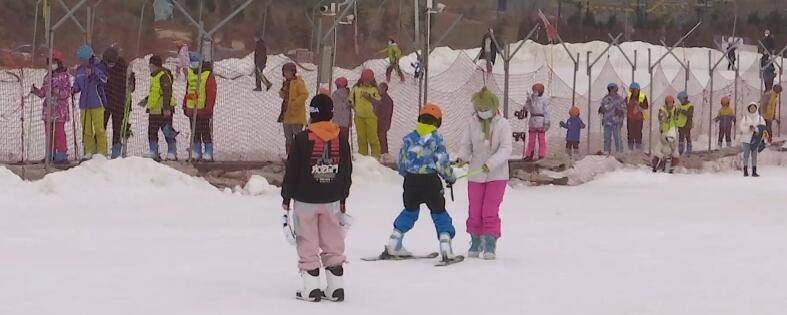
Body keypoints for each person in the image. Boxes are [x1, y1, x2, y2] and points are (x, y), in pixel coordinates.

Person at [281, 94, 352, 303]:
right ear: (331, 114)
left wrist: (286, 197)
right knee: (333, 240)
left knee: (307, 240)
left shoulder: (302, 139)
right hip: (331, 201)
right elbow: (346, 171)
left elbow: (292, 171)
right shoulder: (341, 139)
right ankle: (336, 288)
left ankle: (311, 288)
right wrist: (342, 197)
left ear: (312, 114)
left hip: (305, 201)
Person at [385, 103, 459, 262]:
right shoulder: (436, 138)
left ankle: (394, 241)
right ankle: (446, 245)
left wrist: (407, 175)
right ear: (437, 122)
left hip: (411, 181)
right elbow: (442, 162)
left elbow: (402, 162)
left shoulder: (409, 138)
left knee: (410, 211)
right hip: (431, 181)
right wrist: (449, 177)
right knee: (439, 212)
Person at [456, 88, 512, 260]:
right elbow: (466, 144)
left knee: (490, 208)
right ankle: (475, 239)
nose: (483, 112)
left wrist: (492, 163)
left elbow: (506, 148)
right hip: (476, 174)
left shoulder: (503, 124)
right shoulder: (472, 123)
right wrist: (463, 158)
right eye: (480, 108)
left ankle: (490, 241)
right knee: (475, 209)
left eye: (486, 108)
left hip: (497, 175)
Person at [31, 50, 71, 163]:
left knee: (59, 133)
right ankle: (50, 154)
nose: (51, 65)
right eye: (49, 62)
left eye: (53, 62)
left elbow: (67, 92)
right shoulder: (47, 76)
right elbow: (43, 93)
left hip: (59, 110)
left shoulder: (64, 76)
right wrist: (36, 91)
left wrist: (58, 92)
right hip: (48, 110)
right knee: (49, 133)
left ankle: (61, 154)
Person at [73, 44, 109, 157]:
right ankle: (89, 150)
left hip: (97, 103)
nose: (82, 62)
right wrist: (73, 89)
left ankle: (102, 151)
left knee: (99, 129)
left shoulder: (98, 68)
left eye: (84, 60)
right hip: (84, 104)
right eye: (80, 60)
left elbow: (104, 80)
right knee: (86, 129)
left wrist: (94, 73)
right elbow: (77, 85)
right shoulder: (79, 71)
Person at [183, 52, 217, 161]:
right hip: (191, 108)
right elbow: (188, 90)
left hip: (203, 109)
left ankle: (208, 151)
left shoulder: (208, 75)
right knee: (195, 131)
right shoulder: (191, 74)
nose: (193, 64)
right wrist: (185, 105)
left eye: (195, 62)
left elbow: (211, 93)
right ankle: (196, 151)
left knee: (205, 131)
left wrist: (208, 108)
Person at [103, 47, 135, 159]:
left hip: (119, 103)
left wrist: (131, 82)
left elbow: (131, 87)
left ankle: (116, 152)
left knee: (117, 128)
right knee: (101, 126)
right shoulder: (103, 67)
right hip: (105, 102)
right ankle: (100, 150)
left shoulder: (124, 68)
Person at [145, 55, 178, 161]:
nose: (150, 67)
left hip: (163, 110)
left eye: (151, 65)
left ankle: (172, 151)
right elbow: (155, 92)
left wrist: (166, 108)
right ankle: (153, 151)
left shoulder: (163, 76)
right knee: (152, 131)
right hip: (154, 110)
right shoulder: (154, 76)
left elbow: (167, 92)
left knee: (167, 130)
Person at [350, 69, 382, 159]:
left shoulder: (374, 89)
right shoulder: (356, 88)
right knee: (361, 139)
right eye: (365, 80)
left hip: (371, 117)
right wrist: (351, 103)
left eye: (369, 80)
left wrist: (370, 98)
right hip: (359, 116)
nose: (367, 82)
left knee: (373, 138)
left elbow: (379, 102)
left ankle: (376, 158)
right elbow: (350, 98)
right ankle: (362, 158)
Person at [279, 62, 309, 156]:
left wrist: (294, 104)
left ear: (293, 72)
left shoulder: (298, 82)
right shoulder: (286, 83)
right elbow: (283, 94)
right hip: (286, 115)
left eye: (288, 72)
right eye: (285, 72)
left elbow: (304, 94)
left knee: (298, 138)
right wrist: (282, 93)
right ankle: (289, 156)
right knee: (288, 138)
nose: (286, 74)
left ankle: (298, 156)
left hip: (296, 116)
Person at [522, 83, 549, 161]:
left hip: (541, 120)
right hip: (533, 120)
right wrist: (527, 101)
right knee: (531, 140)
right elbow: (526, 107)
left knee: (541, 140)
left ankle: (542, 155)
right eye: (534, 91)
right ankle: (529, 154)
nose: (535, 92)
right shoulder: (531, 98)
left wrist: (546, 122)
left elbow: (546, 112)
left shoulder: (544, 99)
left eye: (536, 91)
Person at [652, 96, 680, 173]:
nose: (670, 104)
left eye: (671, 102)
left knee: (674, 153)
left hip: (672, 132)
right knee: (660, 148)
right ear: (666, 102)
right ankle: (656, 165)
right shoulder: (662, 110)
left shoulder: (675, 109)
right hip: (664, 132)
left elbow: (677, 119)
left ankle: (670, 167)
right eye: (668, 102)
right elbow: (661, 118)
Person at [739, 102, 767, 177]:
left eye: (754, 108)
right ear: (748, 109)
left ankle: (754, 171)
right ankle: (745, 171)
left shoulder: (760, 118)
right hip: (746, 139)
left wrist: (756, 129)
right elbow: (741, 127)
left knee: (754, 155)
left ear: (756, 108)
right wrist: (748, 128)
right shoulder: (745, 117)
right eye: (751, 108)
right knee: (746, 155)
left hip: (756, 139)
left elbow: (763, 127)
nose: (752, 109)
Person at [598, 83, 626, 154]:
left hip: (616, 122)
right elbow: (603, 107)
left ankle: (619, 152)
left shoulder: (620, 99)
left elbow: (624, 109)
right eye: (611, 89)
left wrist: (620, 111)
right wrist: (601, 109)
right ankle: (606, 151)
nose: (613, 90)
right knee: (607, 137)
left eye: (614, 89)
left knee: (617, 137)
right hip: (607, 121)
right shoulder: (605, 99)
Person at [372, 83, 394, 162]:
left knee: (382, 138)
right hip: (379, 122)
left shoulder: (387, 100)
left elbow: (385, 113)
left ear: (384, 89)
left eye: (380, 87)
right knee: (379, 137)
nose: (378, 89)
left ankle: (384, 154)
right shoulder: (380, 98)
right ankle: (380, 153)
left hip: (382, 122)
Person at [626, 82, 649, 151]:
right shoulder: (628, 97)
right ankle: (630, 148)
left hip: (639, 118)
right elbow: (624, 105)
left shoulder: (643, 97)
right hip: (630, 118)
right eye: (632, 90)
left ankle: (638, 148)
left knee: (638, 133)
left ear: (638, 90)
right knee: (630, 133)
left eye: (635, 90)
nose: (634, 92)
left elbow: (646, 106)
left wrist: (640, 104)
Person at [675, 91, 694, 155]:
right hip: (680, 124)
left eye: (681, 99)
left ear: (684, 98)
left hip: (687, 124)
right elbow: (677, 114)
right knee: (681, 137)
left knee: (688, 137)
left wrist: (682, 111)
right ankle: (680, 150)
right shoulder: (680, 106)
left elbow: (690, 114)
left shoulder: (690, 106)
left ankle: (689, 150)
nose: (680, 101)